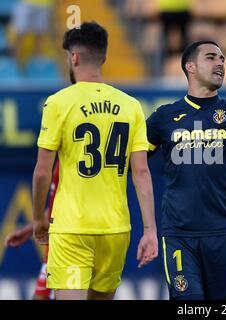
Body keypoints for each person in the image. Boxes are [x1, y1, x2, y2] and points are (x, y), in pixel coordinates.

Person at [32, 22, 158, 300]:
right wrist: (150, 229)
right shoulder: (131, 105)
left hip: (73, 227)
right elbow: (141, 173)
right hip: (116, 229)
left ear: (73, 57)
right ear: (104, 57)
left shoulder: (58, 102)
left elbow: (42, 172)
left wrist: (37, 217)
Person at [146, 40, 226, 300]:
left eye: (223, 59)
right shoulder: (164, 117)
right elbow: (131, 159)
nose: (220, 63)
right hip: (179, 235)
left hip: (223, 234)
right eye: (211, 57)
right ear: (190, 67)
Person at [5, 161, 59, 300]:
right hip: (57, 250)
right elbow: (62, 206)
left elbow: (41, 173)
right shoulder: (64, 158)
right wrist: (30, 228)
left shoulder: (75, 159)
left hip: (68, 248)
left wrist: (38, 221)